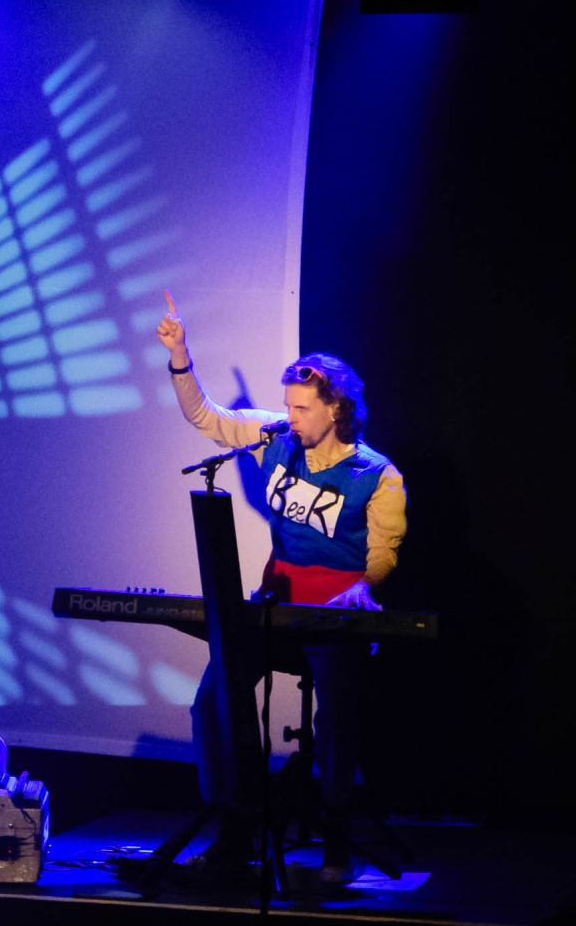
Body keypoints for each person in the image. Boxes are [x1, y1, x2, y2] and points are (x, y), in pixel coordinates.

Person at [157, 293, 407, 882]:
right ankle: (232, 826)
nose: (290, 416)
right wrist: (180, 356)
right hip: (275, 606)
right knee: (213, 701)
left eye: (301, 408)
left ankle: (336, 842)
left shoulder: (378, 475)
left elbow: (384, 553)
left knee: (337, 721)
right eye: (288, 405)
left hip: (336, 616)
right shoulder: (275, 438)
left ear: (336, 409)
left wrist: (365, 587)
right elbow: (206, 418)